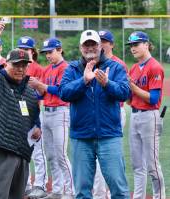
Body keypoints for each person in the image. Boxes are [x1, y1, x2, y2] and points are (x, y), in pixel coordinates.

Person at [58, 30, 130, 199]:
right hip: (81, 137)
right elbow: (63, 93)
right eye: (86, 45)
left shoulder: (115, 67)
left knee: (118, 188)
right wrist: (84, 80)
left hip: (109, 135)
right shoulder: (73, 68)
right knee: (82, 191)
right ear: (80, 47)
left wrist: (107, 83)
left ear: (100, 46)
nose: (90, 48)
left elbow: (125, 93)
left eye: (93, 44)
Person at [0, 21, 41, 199]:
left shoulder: (29, 91)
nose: (20, 69)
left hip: (21, 153)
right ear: (6, 64)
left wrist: (37, 127)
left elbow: (34, 117)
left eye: (24, 65)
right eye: (16, 65)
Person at [29, 38, 74, 199]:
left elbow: (61, 90)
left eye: (50, 51)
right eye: (46, 53)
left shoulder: (66, 68)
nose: (48, 55)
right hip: (46, 112)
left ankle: (70, 191)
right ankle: (57, 190)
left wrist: (41, 86)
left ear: (60, 49)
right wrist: (35, 88)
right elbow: (41, 93)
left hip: (61, 112)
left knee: (61, 154)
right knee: (51, 155)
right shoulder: (47, 70)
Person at [127, 31, 165, 199]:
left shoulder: (155, 66)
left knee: (152, 165)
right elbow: (130, 98)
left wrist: (133, 88)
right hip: (134, 116)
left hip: (150, 116)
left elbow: (154, 98)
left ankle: (160, 197)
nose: (133, 48)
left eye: (136, 44)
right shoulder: (134, 68)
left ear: (146, 44)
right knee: (137, 165)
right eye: (131, 46)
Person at [92, 29, 129, 199]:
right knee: (96, 159)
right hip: (95, 113)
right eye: (98, 40)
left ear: (111, 44)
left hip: (114, 112)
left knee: (111, 158)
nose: (101, 43)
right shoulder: (92, 62)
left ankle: (111, 192)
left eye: (104, 41)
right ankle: (99, 194)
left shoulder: (118, 64)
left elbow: (123, 92)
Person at [17, 36, 48, 199]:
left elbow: (42, 93)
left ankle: (40, 184)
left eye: (26, 49)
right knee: (22, 150)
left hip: (34, 111)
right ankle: (26, 183)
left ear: (32, 51)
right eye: (20, 49)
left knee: (37, 151)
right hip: (20, 112)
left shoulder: (38, 69)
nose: (23, 51)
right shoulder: (16, 66)